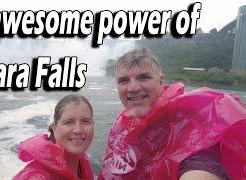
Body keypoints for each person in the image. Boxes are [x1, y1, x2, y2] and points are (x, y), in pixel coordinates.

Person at [99, 47, 246, 179]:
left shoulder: (188, 120)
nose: (133, 88)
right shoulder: (123, 122)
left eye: (143, 77)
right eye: (124, 81)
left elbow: (200, 162)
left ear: (161, 81)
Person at [13, 94, 94, 180]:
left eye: (85, 121)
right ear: (54, 128)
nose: (78, 130)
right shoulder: (37, 177)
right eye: (69, 122)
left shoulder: (81, 161)